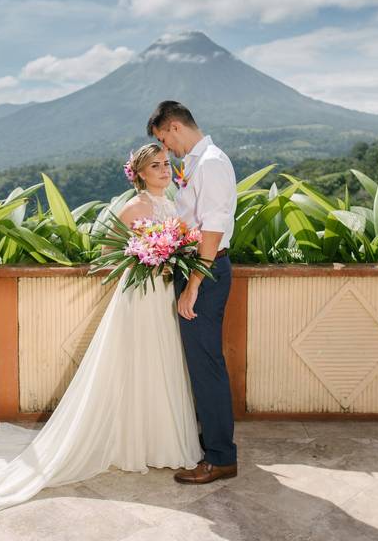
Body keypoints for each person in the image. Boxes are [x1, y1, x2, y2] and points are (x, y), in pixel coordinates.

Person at [0, 142, 204, 516]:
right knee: (134, 365)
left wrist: (170, 261)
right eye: (157, 166)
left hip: (164, 296)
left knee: (162, 364)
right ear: (141, 175)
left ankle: (160, 442)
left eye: (167, 164)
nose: (165, 170)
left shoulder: (173, 203)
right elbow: (107, 252)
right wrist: (144, 259)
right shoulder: (133, 207)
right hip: (139, 299)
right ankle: (129, 442)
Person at [147, 100, 239, 485]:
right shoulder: (200, 163)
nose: (166, 150)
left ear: (174, 127)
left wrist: (194, 286)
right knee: (201, 364)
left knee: (207, 365)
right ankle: (212, 443)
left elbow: (214, 229)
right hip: (198, 269)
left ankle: (220, 458)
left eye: (164, 140)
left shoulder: (212, 162)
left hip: (208, 272)